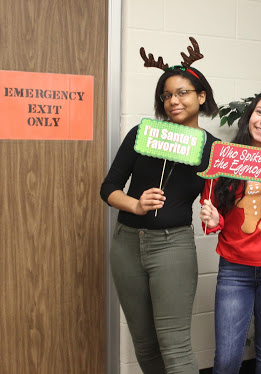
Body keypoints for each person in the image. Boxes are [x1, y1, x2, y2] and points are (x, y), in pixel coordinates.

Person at [100, 44, 219, 374]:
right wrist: (135, 204)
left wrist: (215, 215)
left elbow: (224, 203)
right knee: (144, 341)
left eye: (182, 93)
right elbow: (108, 189)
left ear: (201, 96)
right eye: (166, 96)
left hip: (173, 247)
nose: (173, 101)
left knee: (174, 344)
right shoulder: (142, 135)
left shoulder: (214, 149)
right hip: (125, 245)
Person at [199, 89, 261, 374]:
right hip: (234, 268)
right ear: (250, 115)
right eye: (260, 112)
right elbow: (211, 220)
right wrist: (212, 218)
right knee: (227, 357)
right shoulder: (226, 158)